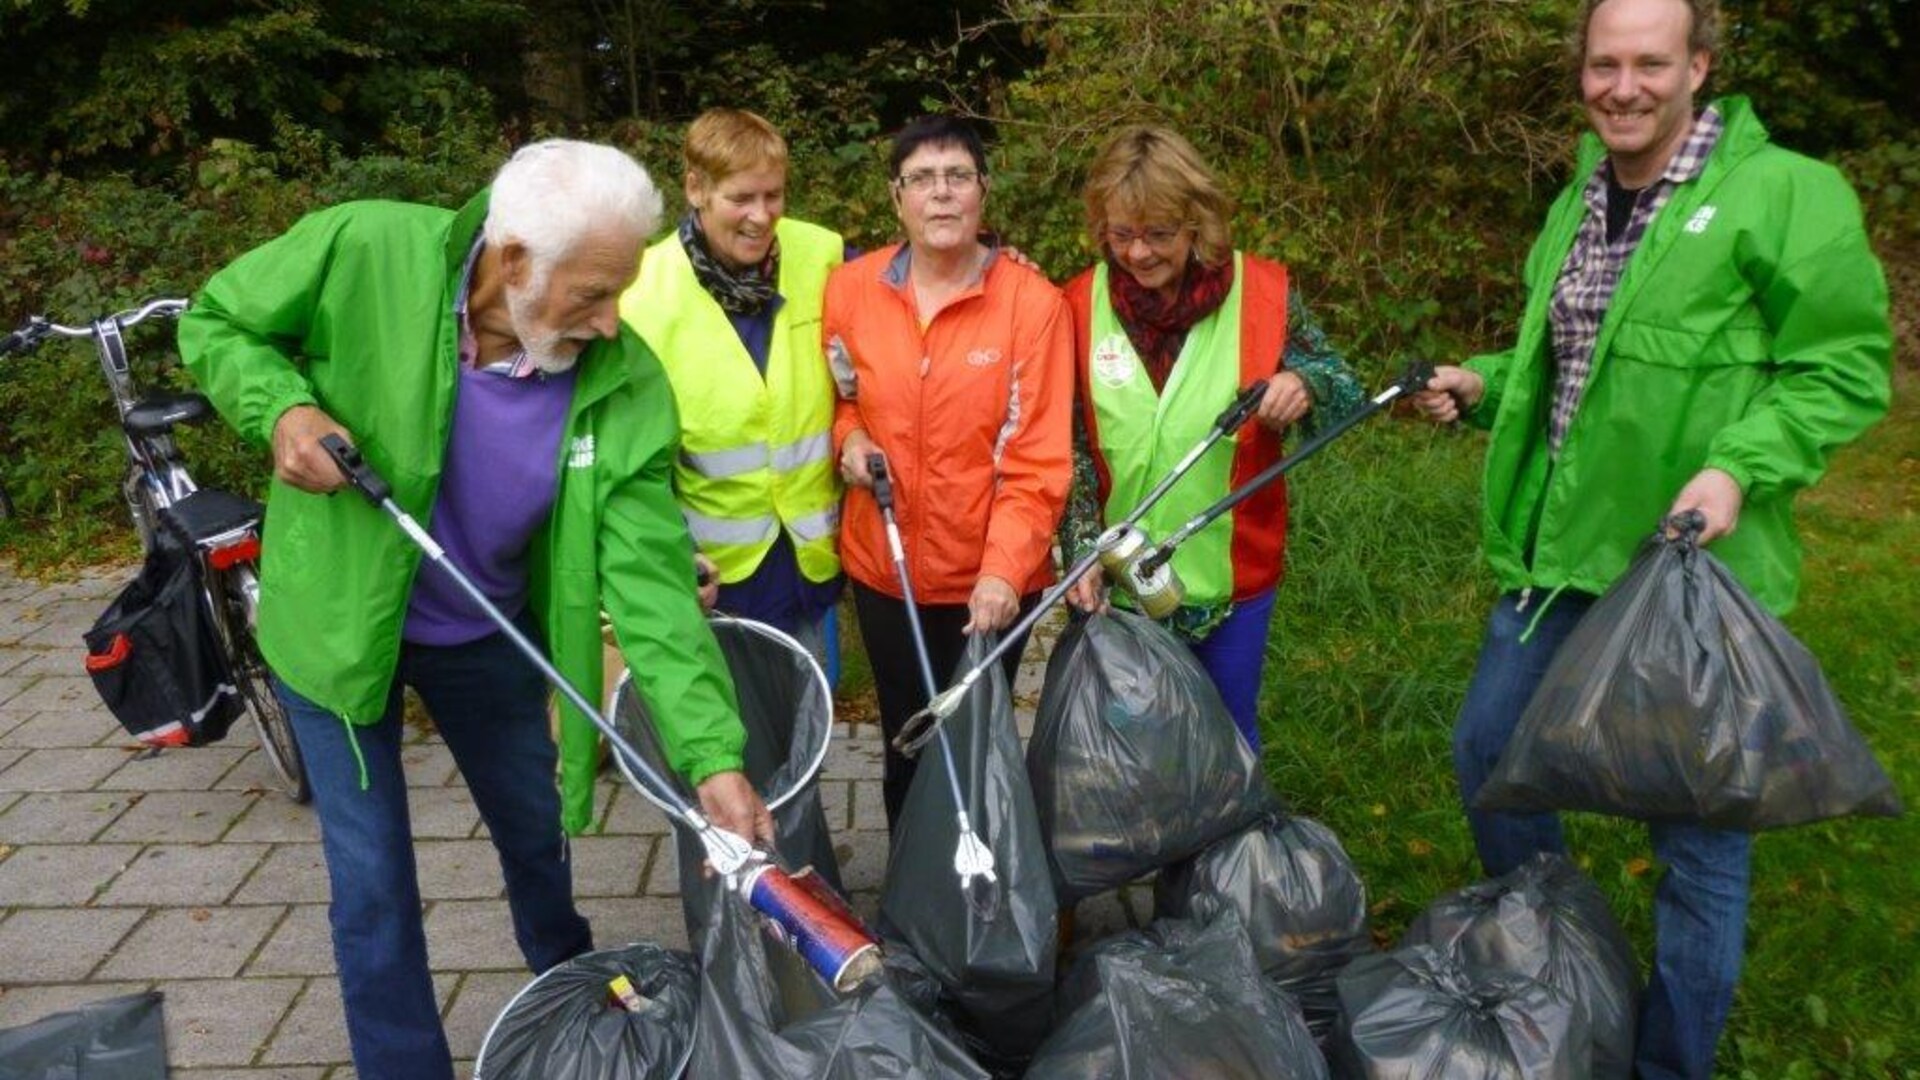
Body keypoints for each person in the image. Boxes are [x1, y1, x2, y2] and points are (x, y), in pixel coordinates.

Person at [179, 139, 775, 1080]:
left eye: (621, 291)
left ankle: (576, 1002)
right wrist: (283, 410)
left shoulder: (622, 378)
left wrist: (714, 759)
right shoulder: (367, 247)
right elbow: (217, 321)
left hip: (487, 632)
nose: (612, 320)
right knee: (373, 883)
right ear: (512, 262)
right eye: (591, 293)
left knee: (537, 838)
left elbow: (654, 587)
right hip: (336, 632)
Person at [1411, 1, 1892, 1076]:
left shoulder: (1787, 194)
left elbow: (1844, 367)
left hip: (1692, 577)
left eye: (1649, 63)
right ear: (1582, 73)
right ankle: (1564, 978)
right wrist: (1481, 385)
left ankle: (1667, 1061)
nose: (1622, 86)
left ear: (1700, 69)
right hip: (1559, 562)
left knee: (1697, 837)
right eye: (1604, 64)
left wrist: (1737, 466)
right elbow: (1567, 364)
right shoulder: (1580, 196)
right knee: (1493, 757)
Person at [1060, 125, 1364, 752]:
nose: (1139, 253)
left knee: (1225, 746)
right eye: (1122, 235)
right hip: (1118, 584)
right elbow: (1069, 445)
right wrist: (1079, 549)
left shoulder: (1264, 294)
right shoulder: (1076, 304)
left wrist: (1303, 383)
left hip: (1232, 580)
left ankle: (1229, 853)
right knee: (1134, 751)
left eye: (1159, 234)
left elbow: (1346, 390)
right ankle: (1146, 853)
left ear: (1197, 222)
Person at [826, 115, 1074, 828]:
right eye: (922, 179)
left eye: (957, 176)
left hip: (991, 581)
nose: (941, 194)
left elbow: (1037, 457)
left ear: (983, 194)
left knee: (974, 742)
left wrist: (1002, 571)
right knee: (906, 737)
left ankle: (984, 887)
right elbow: (843, 400)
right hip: (887, 565)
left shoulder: (1033, 305)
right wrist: (849, 441)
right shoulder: (849, 290)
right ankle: (911, 894)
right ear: (895, 198)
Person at [618, 107, 845, 684]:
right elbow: (631, 461)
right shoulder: (641, 296)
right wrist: (667, 559)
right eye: (742, 198)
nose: (761, 216)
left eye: (774, 196)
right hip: (712, 576)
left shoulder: (822, 255)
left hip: (809, 564)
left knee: (802, 744)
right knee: (726, 748)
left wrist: (989, 262)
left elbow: (907, 288)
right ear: (696, 188)